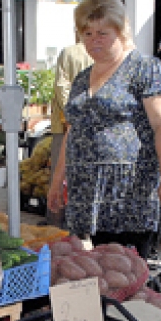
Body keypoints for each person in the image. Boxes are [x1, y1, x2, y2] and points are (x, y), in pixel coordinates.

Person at [47, 0, 161, 259]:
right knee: (100, 265)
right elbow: (72, 131)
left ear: (121, 32)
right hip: (87, 189)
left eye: (102, 33)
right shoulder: (82, 78)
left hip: (129, 190)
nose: (93, 40)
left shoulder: (145, 69)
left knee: (128, 269)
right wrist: (56, 181)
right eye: (87, 33)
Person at [46, 33, 93, 228]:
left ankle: (56, 222)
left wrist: (69, 116)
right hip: (92, 124)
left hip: (66, 123)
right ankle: (83, 224)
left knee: (60, 170)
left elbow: (61, 85)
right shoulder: (102, 55)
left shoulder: (69, 52)